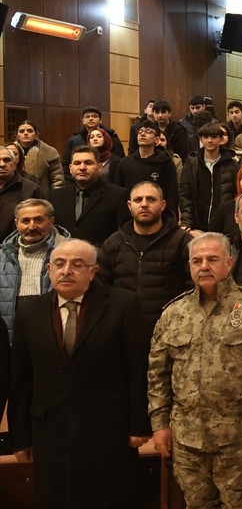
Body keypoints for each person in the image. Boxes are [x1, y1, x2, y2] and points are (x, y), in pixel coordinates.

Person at [9, 238, 151, 509]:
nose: (66, 271)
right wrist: (20, 437)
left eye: (77, 264)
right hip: (50, 430)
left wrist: (139, 424)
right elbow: (21, 381)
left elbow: (137, 368)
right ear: (49, 270)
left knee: (108, 498)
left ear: (93, 271)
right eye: (59, 264)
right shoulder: (29, 311)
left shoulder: (123, 305)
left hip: (107, 429)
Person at [147, 233, 242, 509]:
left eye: (212, 259)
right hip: (188, 435)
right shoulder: (173, 313)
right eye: (197, 261)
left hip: (238, 434)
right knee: (197, 503)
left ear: (229, 263)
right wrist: (159, 423)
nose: (204, 266)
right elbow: (157, 374)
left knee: (238, 502)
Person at [95, 182, 193, 338]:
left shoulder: (182, 241)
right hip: (123, 331)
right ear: (129, 206)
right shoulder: (114, 242)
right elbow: (100, 286)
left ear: (163, 205)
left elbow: (193, 287)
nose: (144, 204)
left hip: (171, 330)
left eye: (151, 199)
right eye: (138, 200)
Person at [0, 199, 71, 338]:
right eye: (25, 221)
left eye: (39, 220)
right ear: (16, 223)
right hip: (10, 334)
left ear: (51, 221)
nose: (32, 227)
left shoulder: (70, 252)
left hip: (55, 332)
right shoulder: (2, 255)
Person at [48, 146, 130, 247]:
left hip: (103, 254)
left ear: (99, 167)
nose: (82, 167)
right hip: (63, 254)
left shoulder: (118, 195)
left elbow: (124, 234)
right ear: (70, 168)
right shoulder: (56, 196)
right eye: (77, 163)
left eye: (88, 163)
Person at [179, 122, 242, 232]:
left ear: (221, 139)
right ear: (200, 139)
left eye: (214, 137)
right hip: (197, 220)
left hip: (223, 221)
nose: (209, 140)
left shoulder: (231, 163)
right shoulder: (192, 162)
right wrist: (187, 221)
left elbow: (236, 193)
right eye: (205, 137)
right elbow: (185, 193)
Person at [112, 119, 182, 215]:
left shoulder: (165, 162)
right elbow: (119, 193)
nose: (142, 134)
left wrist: (172, 217)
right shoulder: (125, 163)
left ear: (157, 139)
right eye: (140, 132)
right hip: (130, 214)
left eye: (148, 131)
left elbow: (172, 193)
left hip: (158, 214)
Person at [14, 121, 64, 196]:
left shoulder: (48, 151)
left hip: (41, 195)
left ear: (36, 134)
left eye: (30, 131)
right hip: (15, 194)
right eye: (21, 131)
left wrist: (56, 196)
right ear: (17, 135)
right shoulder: (9, 151)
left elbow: (57, 179)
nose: (26, 133)